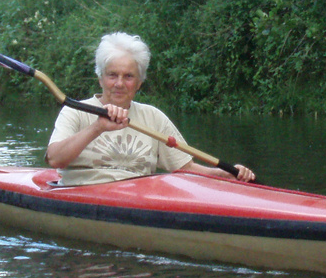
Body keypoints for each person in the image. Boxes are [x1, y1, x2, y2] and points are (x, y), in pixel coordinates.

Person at [46, 32, 255, 186]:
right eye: (112, 75)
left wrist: (225, 174)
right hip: (83, 195)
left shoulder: (153, 117)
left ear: (139, 83)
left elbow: (185, 168)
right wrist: (97, 128)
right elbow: (54, 159)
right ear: (100, 79)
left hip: (138, 199)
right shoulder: (75, 111)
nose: (119, 83)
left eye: (128, 76)